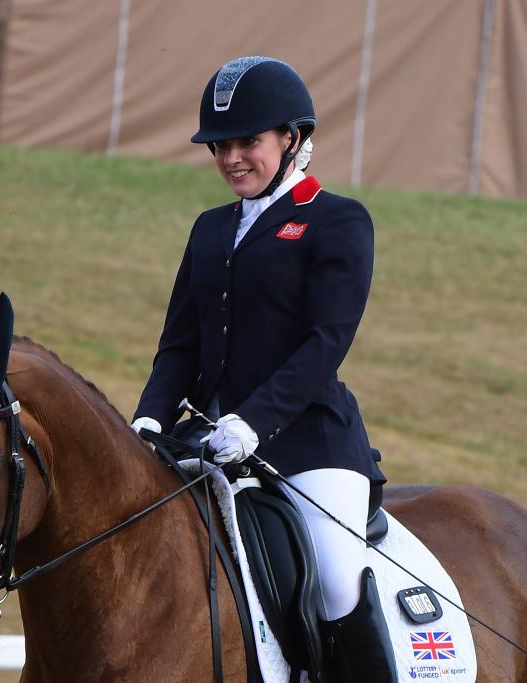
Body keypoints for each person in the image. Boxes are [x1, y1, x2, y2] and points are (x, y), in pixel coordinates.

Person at [130, 56, 395, 680]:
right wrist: (146, 420)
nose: (231, 159)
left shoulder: (337, 220)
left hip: (309, 445)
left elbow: (326, 342)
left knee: (334, 580)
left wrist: (252, 423)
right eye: (221, 146)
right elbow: (180, 344)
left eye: (248, 142)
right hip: (210, 444)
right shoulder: (210, 229)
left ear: (292, 139)